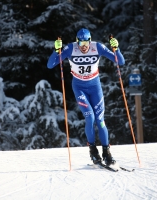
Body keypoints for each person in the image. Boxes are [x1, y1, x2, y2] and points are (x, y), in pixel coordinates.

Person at [47, 28, 125, 166]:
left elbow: (120, 62)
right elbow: (50, 64)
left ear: (90, 41)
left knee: (100, 120)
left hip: (95, 87)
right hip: (79, 88)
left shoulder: (97, 47)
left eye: (86, 44)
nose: (83, 47)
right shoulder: (71, 48)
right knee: (90, 117)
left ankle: (107, 152)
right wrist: (56, 50)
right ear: (77, 41)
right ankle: (93, 151)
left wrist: (116, 48)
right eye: (81, 44)